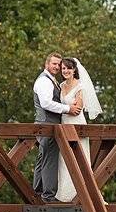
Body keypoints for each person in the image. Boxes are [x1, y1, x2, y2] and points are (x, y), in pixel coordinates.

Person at [32, 52, 81, 202]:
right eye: (54, 64)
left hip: (47, 124)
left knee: (44, 157)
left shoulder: (51, 80)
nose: (57, 67)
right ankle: (48, 195)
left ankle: (38, 191)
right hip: (47, 124)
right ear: (46, 64)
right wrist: (67, 108)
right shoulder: (44, 81)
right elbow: (46, 103)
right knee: (50, 159)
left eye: (59, 64)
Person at [55, 57, 102, 202]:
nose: (65, 71)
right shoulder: (61, 86)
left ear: (74, 69)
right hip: (64, 125)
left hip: (77, 125)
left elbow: (78, 109)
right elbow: (69, 108)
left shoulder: (80, 86)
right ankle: (65, 196)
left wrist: (66, 108)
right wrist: (68, 108)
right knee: (64, 159)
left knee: (79, 158)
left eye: (68, 68)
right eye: (63, 68)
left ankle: (82, 195)